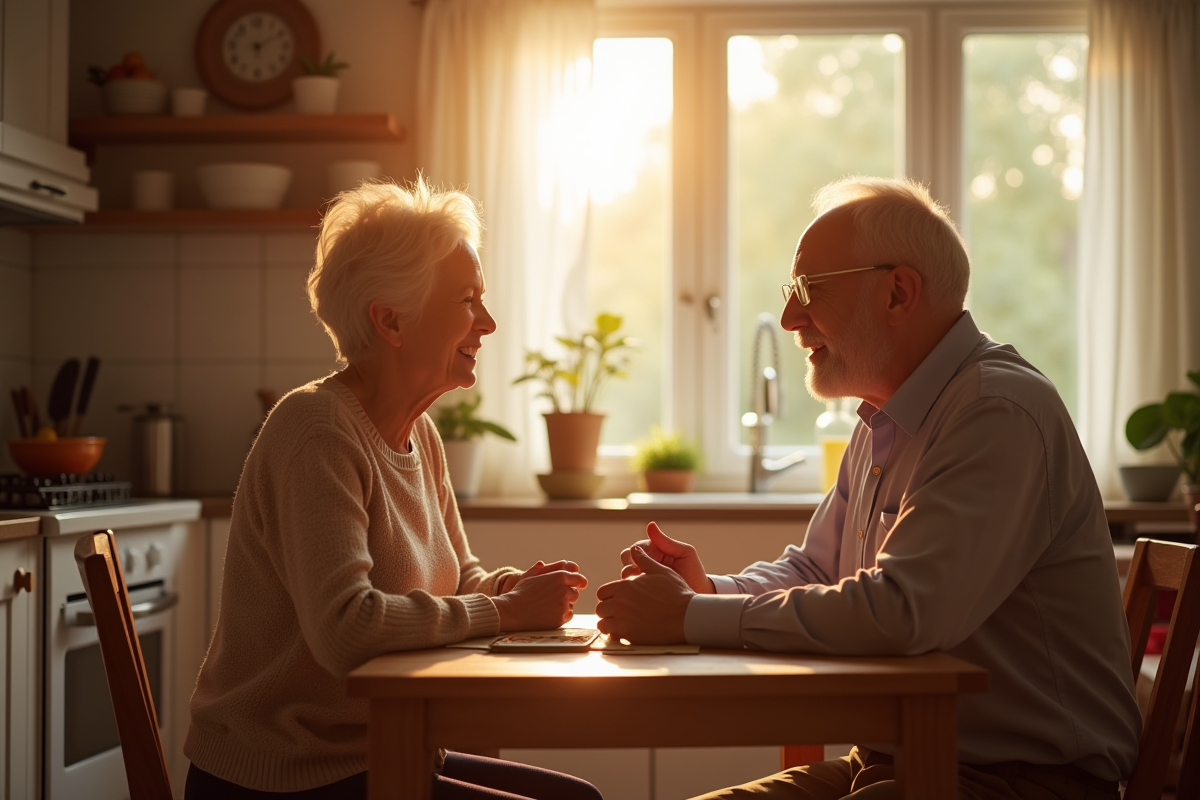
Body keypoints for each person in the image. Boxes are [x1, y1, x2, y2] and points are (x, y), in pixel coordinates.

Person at [595, 176, 1141, 800]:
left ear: (898, 292)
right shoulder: (886, 415)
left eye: (809, 290)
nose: (789, 316)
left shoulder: (998, 411)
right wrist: (708, 589)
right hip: (895, 766)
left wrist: (691, 617)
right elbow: (815, 569)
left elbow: (901, 612)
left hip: (1021, 784)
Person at [184, 178, 601, 800]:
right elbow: (346, 629)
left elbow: (459, 577)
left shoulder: (419, 432)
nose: (487, 322)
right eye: (467, 300)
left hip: (383, 753)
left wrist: (507, 588)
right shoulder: (316, 430)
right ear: (391, 321)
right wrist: (509, 613)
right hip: (285, 776)